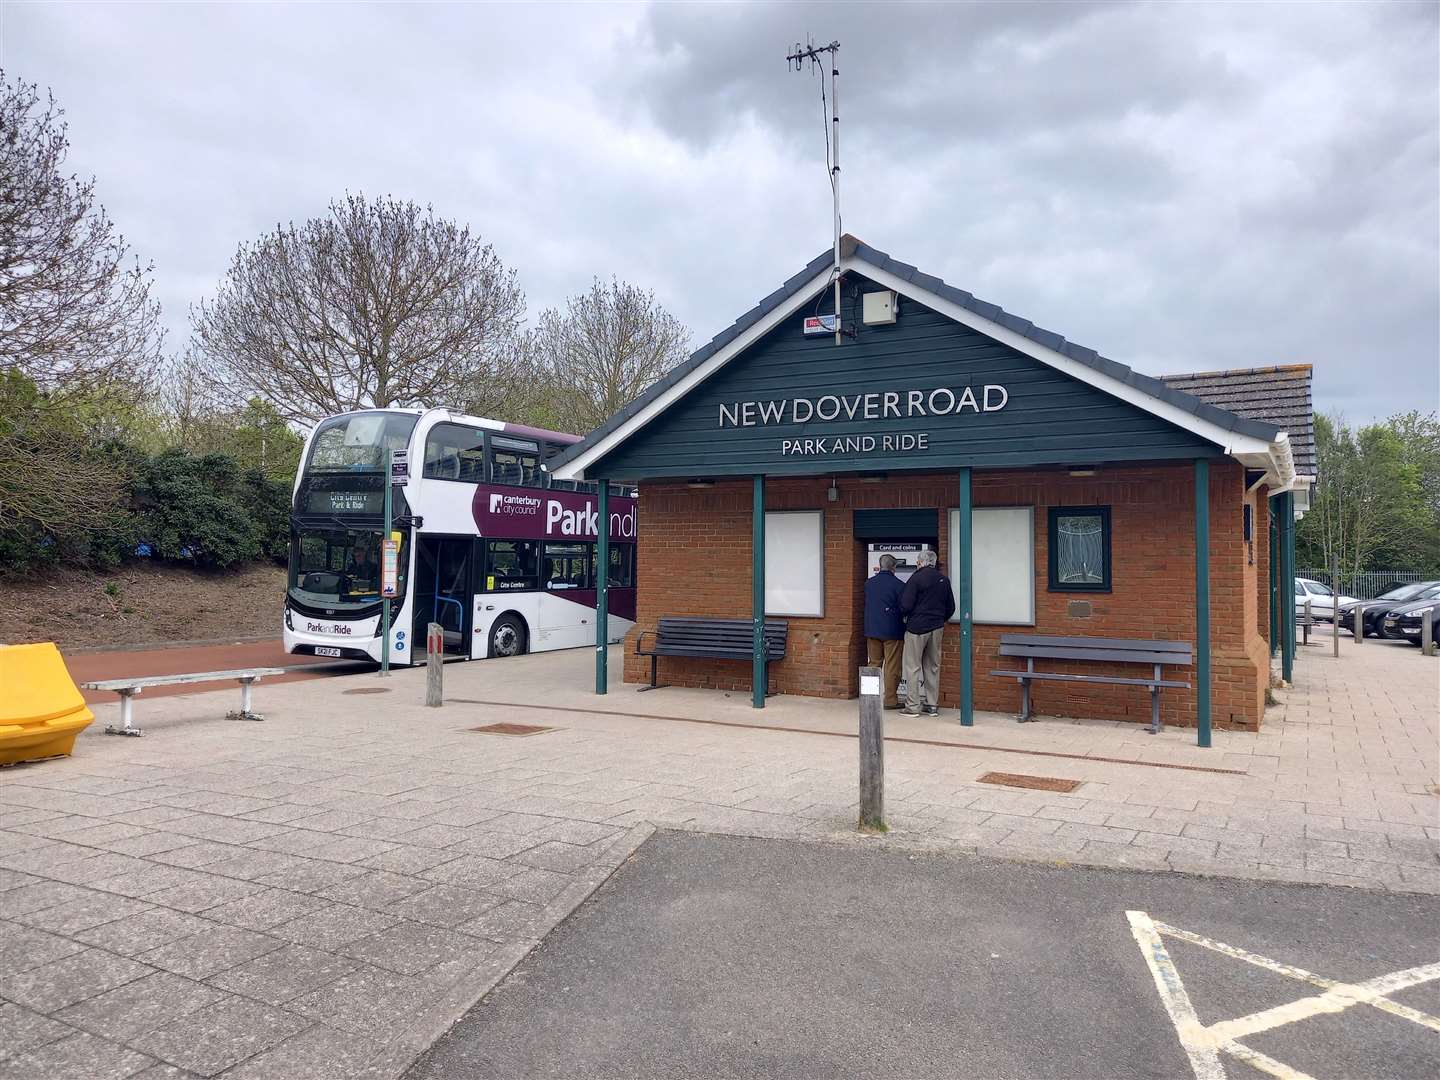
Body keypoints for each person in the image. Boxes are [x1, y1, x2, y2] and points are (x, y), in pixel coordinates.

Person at [899, 549, 955, 716]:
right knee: (933, 667)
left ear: (920, 562)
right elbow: (951, 607)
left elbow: (906, 605)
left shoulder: (916, 578)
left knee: (912, 667)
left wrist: (905, 616)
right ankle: (932, 705)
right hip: (936, 628)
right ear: (934, 562)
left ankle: (913, 706)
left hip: (916, 628)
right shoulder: (943, 580)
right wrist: (939, 619)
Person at [863, 554, 905, 709]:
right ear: (894, 567)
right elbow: (904, 607)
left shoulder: (869, 583)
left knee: (873, 663)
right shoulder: (899, 585)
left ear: (880, 566)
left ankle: (868, 698)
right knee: (892, 666)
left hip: (872, 629)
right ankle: (890, 700)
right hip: (892, 631)